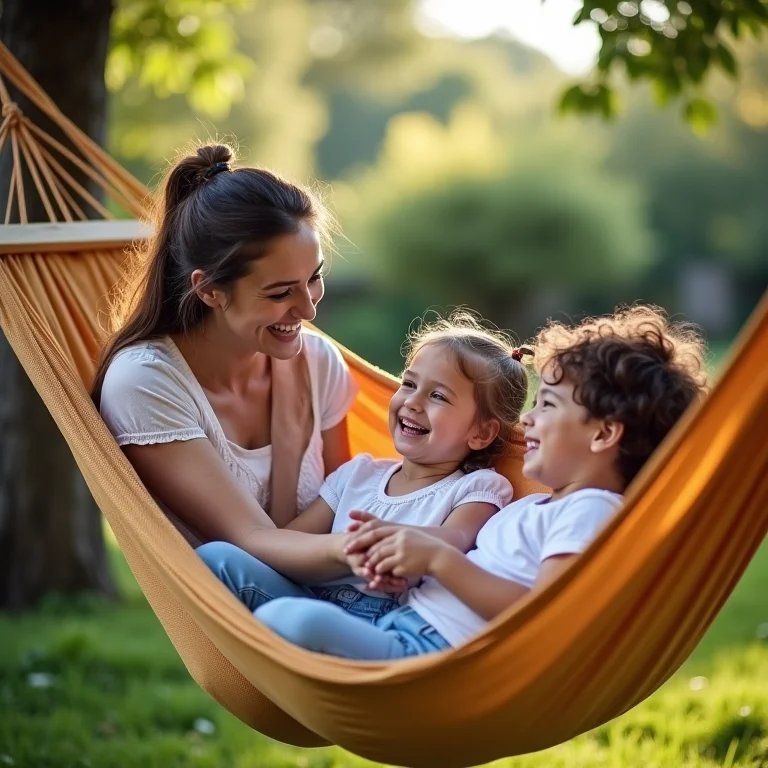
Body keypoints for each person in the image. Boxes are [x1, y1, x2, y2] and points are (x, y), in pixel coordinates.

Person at [250, 305, 708, 659]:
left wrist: (437, 559)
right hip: (403, 625)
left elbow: (546, 617)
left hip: (428, 652)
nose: (526, 421)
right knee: (228, 567)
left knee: (289, 619)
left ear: (604, 434)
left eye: (548, 406)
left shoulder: (590, 509)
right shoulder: (534, 507)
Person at [94, 143, 358, 549]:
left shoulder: (318, 363)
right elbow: (252, 542)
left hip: (338, 578)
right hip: (222, 589)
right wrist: (386, 553)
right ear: (209, 290)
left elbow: (347, 503)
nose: (308, 310)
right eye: (280, 293)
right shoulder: (145, 384)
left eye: (314, 278)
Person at [198, 311, 529, 623]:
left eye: (438, 396)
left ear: (481, 433)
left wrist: (385, 545)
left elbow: (453, 540)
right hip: (309, 597)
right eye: (409, 384)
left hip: (381, 619)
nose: (412, 402)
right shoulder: (358, 474)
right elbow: (290, 542)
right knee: (215, 557)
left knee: (305, 621)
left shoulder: (477, 487)